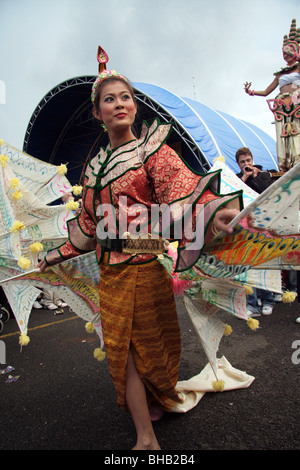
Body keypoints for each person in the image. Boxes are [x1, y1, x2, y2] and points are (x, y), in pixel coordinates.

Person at [38, 70, 240, 450]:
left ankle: (153, 397)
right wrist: (53, 255)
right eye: (109, 100)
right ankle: (145, 437)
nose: (120, 104)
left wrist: (216, 214)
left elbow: (185, 197)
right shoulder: (94, 168)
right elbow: (86, 225)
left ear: (135, 104)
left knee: (150, 347)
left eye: (125, 97)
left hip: (147, 267)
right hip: (110, 274)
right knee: (124, 351)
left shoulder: (154, 151)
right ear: (97, 113)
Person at [244, 18, 300, 172]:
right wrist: (252, 92)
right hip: (282, 106)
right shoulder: (280, 74)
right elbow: (268, 91)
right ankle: (285, 165)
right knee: (283, 136)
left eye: (289, 52)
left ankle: (297, 162)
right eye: (284, 53)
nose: (285, 55)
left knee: (297, 132)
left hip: (297, 102)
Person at [235, 147, 275, 316]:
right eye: (243, 162)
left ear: (253, 159)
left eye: (248, 160)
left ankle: (268, 299)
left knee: (265, 264)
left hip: (264, 226)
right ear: (238, 164)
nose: (247, 164)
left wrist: (255, 177)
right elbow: (235, 197)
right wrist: (244, 178)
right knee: (248, 265)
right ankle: (252, 303)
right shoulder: (237, 179)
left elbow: (268, 194)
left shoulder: (264, 175)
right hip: (245, 228)